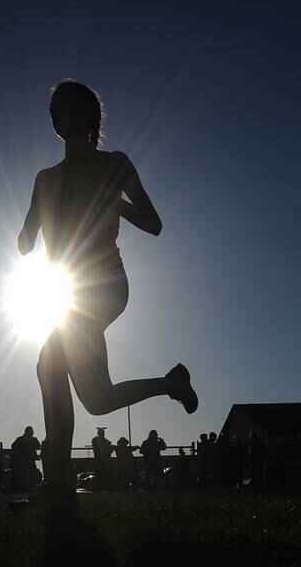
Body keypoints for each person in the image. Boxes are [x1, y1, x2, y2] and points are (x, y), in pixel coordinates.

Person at [16, 80, 198, 514]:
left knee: (48, 363)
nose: (56, 113)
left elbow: (154, 223)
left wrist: (114, 205)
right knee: (97, 399)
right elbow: (25, 244)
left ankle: (57, 485)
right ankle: (171, 384)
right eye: (53, 108)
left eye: (65, 105)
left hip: (106, 284)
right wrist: (30, 228)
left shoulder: (114, 165)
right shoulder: (45, 179)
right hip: (64, 290)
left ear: (89, 116)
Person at [11, 426, 41, 491]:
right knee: (27, 475)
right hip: (23, 463)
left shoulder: (33, 440)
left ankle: (31, 487)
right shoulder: (20, 440)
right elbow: (13, 447)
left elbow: (39, 447)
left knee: (33, 475)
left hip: (29, 462)